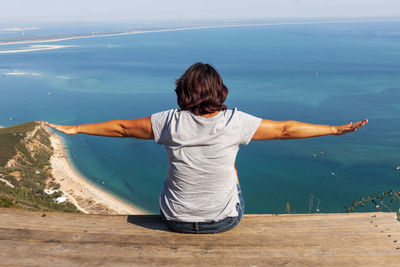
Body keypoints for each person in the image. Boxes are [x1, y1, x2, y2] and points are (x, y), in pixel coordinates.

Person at [46, 62, 368, 234]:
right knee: (233, 172)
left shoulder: (168, 121)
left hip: (174, 220)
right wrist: (334, 129)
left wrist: (76, 128)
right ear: (220, 90)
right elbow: (285, 129)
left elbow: (121, 127)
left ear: (182, 92)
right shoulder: (236, 123)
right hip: (224, 222)